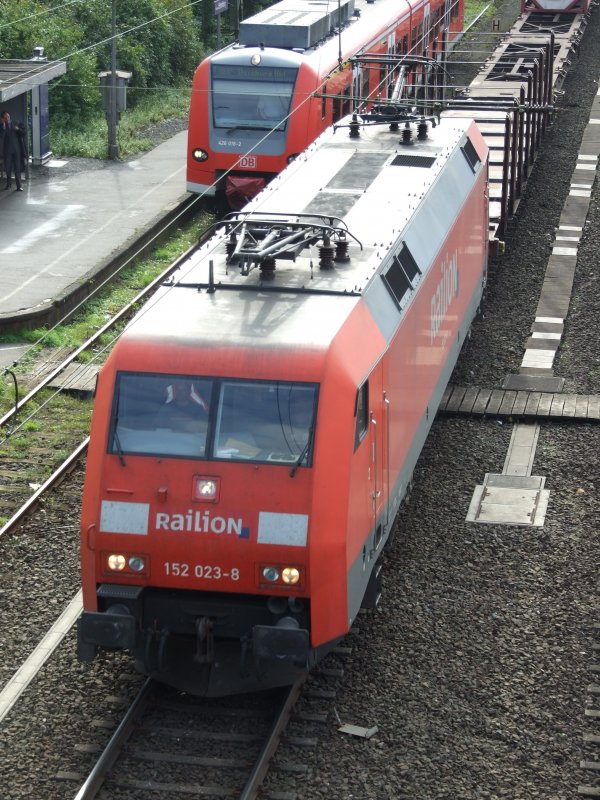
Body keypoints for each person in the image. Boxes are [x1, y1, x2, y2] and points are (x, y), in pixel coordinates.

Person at [1, 111, 25, 191]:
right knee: (8, 168)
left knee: (17, 168)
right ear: (2, 119)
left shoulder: (16, 123)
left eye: (8, 116)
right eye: (5, 117)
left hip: (16, 150)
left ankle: (19, 186)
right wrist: (3, 126)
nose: (7, 118)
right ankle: (8, 184)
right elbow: (1, 137)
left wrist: (18, 129)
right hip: (7, 151)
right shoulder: (2, 127)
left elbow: (23, 133)